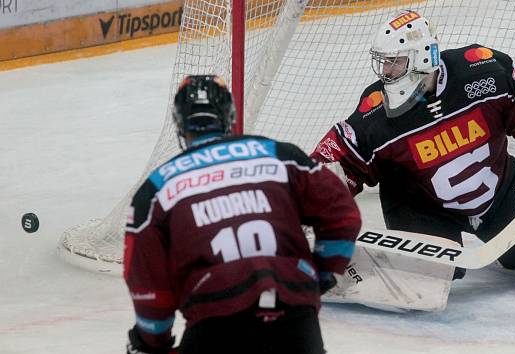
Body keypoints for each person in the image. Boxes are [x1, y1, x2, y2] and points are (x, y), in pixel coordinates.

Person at [311, 10, 515, 289]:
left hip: (496, 189)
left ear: (424, 58)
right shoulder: (374, 112)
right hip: (421, 206)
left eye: (394, 63)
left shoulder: (483, 71)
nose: (386, 72)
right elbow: (337, 158)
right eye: (383, 63)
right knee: (431, 275)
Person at [123, 74, 362, 354]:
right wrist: (319, 274)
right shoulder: (279, 154)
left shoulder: (155, 189)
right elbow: (343, 216)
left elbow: (148, 286)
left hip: (216, 321)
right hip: (294, 313)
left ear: (180, 123)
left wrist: (150, 342)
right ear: (229, 116)